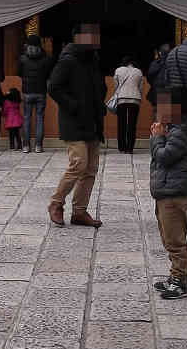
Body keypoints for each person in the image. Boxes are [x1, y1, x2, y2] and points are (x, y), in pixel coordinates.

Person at [47, 24, 106, 227]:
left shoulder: (93, 60)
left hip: (93, 120)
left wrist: (100, 103)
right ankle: (56, 203)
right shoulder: (68, 60)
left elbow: (99, 85)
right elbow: (53, 87)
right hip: (74, 120)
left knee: (90, 169)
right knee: (78, 164)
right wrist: (73, 105)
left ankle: (79, 212)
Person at [149, 91, 187, 299]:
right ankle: (174, 276)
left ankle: (180, 281)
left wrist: (157, 139)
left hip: (173, 193)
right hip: (166, 190)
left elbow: (164, 157)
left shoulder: (179, 133)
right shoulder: (174, 130)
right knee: (168, 236)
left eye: (164, 107)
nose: (158, 111)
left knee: (175, 239)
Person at [18, 36, 53, 153]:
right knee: (39, 119)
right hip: (41, 92)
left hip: (27, 92)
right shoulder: (46, 59)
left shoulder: (23, 59)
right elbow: (49, 74)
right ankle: (38, 146)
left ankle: (26, 146)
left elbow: (19, 73)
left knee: (27, 118)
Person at [112, 54, 145, 153]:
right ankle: (130, 148)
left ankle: (121, 148)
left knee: (121, 123)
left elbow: (116, 85)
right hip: (135, 99)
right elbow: (141, 88)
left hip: (121, 99)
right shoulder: (139, 72)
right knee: (132, 124)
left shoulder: (118, 70)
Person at [3, 86, 24, 150]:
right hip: (17, 120)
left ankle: (12, 146)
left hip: (10, 121)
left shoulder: (7, 102)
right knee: (17, 134)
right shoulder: (17, 102)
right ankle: (19, 145)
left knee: (11, 135)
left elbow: (5, 111)